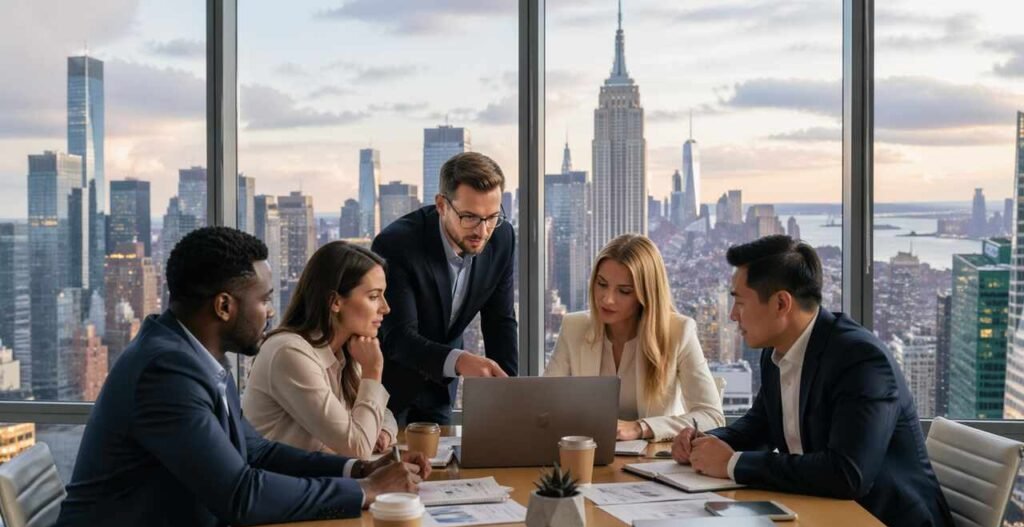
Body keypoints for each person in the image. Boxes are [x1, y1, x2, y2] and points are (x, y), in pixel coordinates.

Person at [42, 228, 429, 527]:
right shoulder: (165, 372)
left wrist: (358, 469)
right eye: (263, 299)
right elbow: (240, 494)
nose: (271, 311)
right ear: (224, 306)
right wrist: (366, 491)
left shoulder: (197, 358)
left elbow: (256, 452)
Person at [671, 235, 956, 527]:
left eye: (739, 302)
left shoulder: (860, 360)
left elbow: (847, 474)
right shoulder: (775, 352)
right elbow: (757, 427)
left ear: (781, 303)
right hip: (826, 522)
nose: (732, 315)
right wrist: (703, 442)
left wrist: (731, 463)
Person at [373, 151, 517, 425]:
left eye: (491, 217)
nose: (482, 231)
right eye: (470, 217)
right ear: (441, 205)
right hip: (390, 388)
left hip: (440, 390)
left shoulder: (502, 238)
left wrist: (509, 394)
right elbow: (398, 336)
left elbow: (501, 322)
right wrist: (461, 361)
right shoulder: (397, 244)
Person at [545, 234, 724, 440]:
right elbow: (546, 403)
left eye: (624, 291)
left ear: (646, 295)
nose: (607, 299)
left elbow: (712, 416)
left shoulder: (679, 331)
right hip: (588, 455)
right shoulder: (573, 327)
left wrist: (640, 428)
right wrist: (524, 399)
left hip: (653, 462)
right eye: (602, 284)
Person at [244, 241, 398, 459]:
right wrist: (373, 370)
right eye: (373, 296)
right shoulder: (289, 353)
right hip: (285, 488)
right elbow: (359, 448)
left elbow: (385, 415)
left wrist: (381, 432)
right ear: (335, 302)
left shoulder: (346, 351)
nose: (386, 307)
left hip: (320, 483)